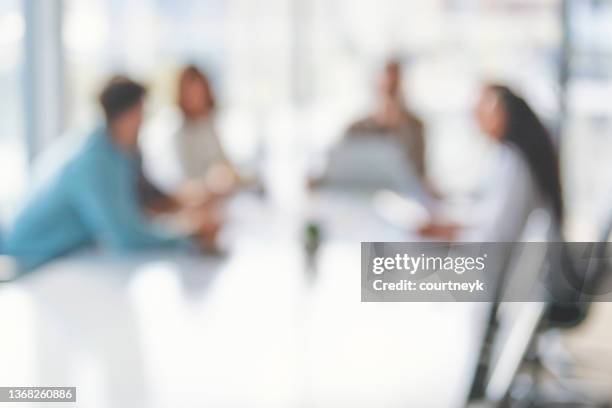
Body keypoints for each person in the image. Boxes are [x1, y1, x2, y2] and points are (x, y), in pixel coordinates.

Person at [3, 76, 220, 271]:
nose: (143, 121)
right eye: (142, 112)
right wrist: (190, 235)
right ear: (130, 115)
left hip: (63, 258)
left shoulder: (118, 154)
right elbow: (125, 236)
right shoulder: (94, 163)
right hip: (31, 260)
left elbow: (142, 200)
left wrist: (185, 209)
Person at [420, 84, 564, 242]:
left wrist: (448, 234)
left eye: (484, 108)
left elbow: (496, 234)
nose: (477, 115)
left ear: (505, 114)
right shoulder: (501, 156)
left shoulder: (513, 163)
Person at [346, 59, 427, 183]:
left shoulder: (416, 127)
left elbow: (421, 176)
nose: (391, 90)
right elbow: (342, 169)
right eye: (387, 86)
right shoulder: (356, 129)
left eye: (395, 86)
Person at [172, 65, 237, 194]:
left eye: (197, 91)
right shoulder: (179, 134)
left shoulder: (221, 123)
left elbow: (233, 166)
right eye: (189, 93)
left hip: (229, 192)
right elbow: (186, 178)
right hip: (200, 195)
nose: (194, 97)